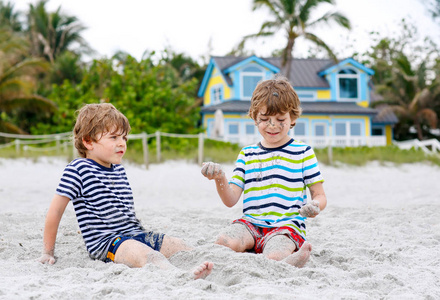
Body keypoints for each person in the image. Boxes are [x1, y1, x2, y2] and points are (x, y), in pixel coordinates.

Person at [39, 103, 213, 279]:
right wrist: (48, 252)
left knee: (176, 244)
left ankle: (212, 263)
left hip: (135, 233)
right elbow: (55, 211)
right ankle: (179, 276)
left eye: (124, 138)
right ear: (88, 141)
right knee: (148, 256)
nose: (121, 143)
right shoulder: (78, 169)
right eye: (113, 137)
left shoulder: (118, 169)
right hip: (107, 243)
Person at [201, 76, 327, 268]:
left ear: (292, 117)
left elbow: (319, 195)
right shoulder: (247, 154)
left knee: (274, 255)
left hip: (286, 227)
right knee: (224, 242)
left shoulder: (303, 152)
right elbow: (230, 200)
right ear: (254, 117)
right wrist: (220, 178)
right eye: (265, 119)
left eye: (280, 119)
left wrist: (315, 205)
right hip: (250, 224)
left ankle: (289, 261)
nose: (272, 125)